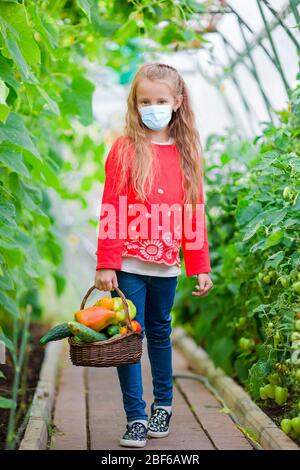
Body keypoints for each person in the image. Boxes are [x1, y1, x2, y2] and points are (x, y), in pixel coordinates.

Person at [94, 62, 213, 448]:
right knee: (130, 336)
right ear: (135, 103)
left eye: (160, 100)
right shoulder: (126, 149)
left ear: (177, 102)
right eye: (145, 101)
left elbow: (194, 213)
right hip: (127, 265)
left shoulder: (187, 153)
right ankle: (136, 416)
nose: (153, 107)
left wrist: (200, 266)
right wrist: (107, 263)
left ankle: (163, 403)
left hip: (165, 267)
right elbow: (111, 207)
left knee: (160, 334)